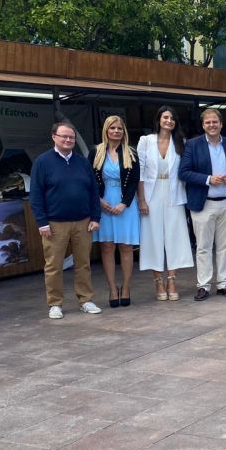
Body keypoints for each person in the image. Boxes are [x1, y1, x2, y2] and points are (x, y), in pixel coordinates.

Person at [29, 121, 102, 319]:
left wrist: (95, 217)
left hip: (83, 222)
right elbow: (35, 195)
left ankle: (85, 300)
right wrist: (42, 222)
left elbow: (93, 191)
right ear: (54, 136)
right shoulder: (42, 162)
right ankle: (55, 304)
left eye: (71, 137)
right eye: (64, 136)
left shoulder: (82, 161)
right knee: (54, 265)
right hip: (54, 224)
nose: (68, 140)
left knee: (83, 263)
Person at [179, 108, 226, 301]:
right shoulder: (193, 145)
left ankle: (223, 284)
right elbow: (183, 172)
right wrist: (208, 179)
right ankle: (204, 285)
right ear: (203, 125)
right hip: (203, 204)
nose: (212, 125)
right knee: (203, 247)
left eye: (215, 122)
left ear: (221, 124)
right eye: (208, 122)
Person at [137, 106, 193, 302]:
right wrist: (141, 199)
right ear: (159, 119)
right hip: (151, 194)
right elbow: (140, 172)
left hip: (174, 193)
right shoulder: (146, 141)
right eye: (165, 117)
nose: (169, 121)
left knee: (174, 236)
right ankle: (158, 281)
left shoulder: (181, 143)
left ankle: (171, 280)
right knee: (153, 237)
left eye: (172, 118)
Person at [91, 115, 141, 308]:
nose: (116, 131)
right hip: (103, 203)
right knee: (107, 247)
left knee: (126, 247)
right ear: (106, 130)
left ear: (124, 131)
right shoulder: (96, 152)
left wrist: (124, 203)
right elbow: (90, 180)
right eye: (112, 128)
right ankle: (112, 288)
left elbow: (135, 180)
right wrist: (98, 200)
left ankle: (126, 287)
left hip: (125, 205)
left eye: (119, 128)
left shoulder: (131, 152)